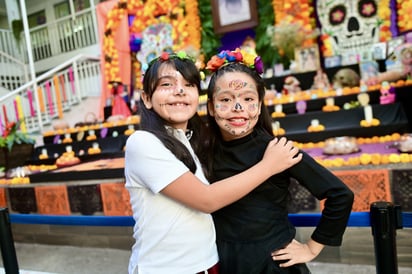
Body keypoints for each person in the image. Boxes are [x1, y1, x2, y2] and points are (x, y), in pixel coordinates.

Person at [124, 51, 303, 274]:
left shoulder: (194, 142)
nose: (179, 90)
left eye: (188, 85)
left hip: (209, 265)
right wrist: (268, 166)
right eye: (167, 84)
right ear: (147, 98)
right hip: (166, 268)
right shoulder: (142, 143)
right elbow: (206, 200)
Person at [205, 48, 355, 274]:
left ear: (259, 104)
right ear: (210, 107)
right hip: (222, 263)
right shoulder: (203, 150)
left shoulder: (278, 151)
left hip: (272, 265)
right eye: (225, 99)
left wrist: (311, 248)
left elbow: (340, 195)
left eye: (248, 99)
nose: (238, 108)